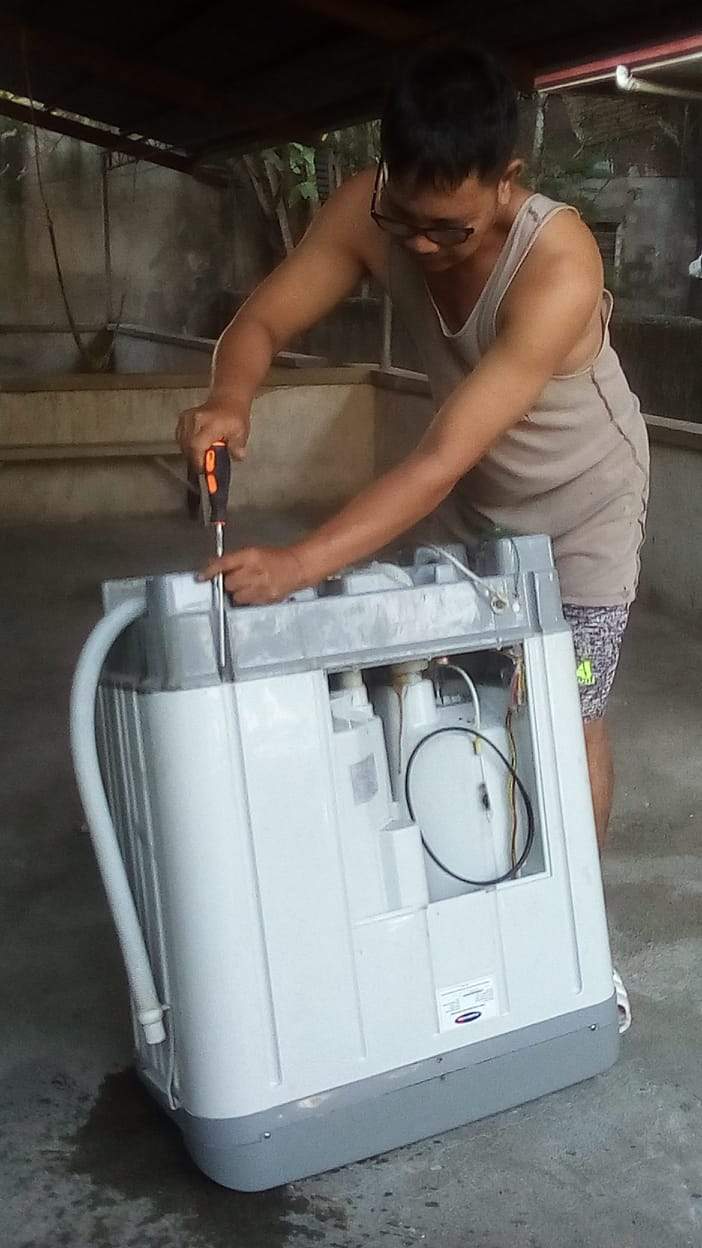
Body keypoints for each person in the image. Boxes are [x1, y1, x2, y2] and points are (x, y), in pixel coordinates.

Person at [177, 43, 649, 874]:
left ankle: (574, 919)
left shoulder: (558, 262)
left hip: (585, 507)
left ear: (506, 179)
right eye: (406, 221)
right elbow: (261, 322)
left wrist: (299, 563)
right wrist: (230, 398)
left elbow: (438, 459)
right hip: (479, 495)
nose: (423, 247)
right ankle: (470, 880)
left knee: (563, 708)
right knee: (449, 687)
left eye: (450, 230)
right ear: (386, 172)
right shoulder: (366, 211)